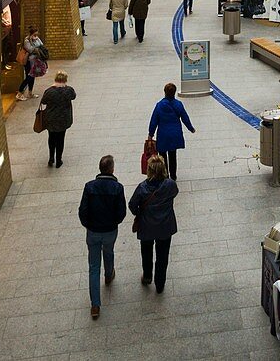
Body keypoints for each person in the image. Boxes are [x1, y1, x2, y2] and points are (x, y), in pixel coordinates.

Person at [78, 154, 127, 320]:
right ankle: (108, 274)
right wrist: (114, 223)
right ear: (112, 169)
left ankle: (95, 305)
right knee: (109, 251)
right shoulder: (117, 188)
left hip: (93, 232)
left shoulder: (89, 187)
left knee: (93, 267)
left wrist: (88, 225)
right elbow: (121, 213)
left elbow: (82, 211)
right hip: (110, 231)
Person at [129, 154, 179, 294]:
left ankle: (147, 276)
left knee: (146, 252)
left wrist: (139, 214)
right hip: (165, 226)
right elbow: (175, 193)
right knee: (162, 256)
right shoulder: (170, 185)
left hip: (146, 227)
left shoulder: (142, 187)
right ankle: (160, 283)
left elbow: (132, 205)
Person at [148, 82, 195, 181]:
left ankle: (165, 175)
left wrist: (150, 134)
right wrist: (190, 128)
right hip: (175, 134)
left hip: (163, 135)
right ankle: (173, 176)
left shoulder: (159, 105)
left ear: (164, 92)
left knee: (162, 156)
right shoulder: (178, 104)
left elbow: (154, 120)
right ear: (174, 93)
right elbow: (184, 117)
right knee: (173, 155)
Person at [41, 70, 76, 168]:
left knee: (51, 138)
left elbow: (43, 102)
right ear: (65, 79)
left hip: (51, 119)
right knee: (61, 139)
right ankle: (59, 160)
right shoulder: (69, 90)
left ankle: (51, 157)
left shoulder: (49, 91)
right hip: (63, 119)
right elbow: (73, 97)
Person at [16, 25, 45, 100]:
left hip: (34, 61)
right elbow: (30, 49)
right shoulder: (27, 40)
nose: (36, 36)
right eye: (35, 34)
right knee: (29, 77)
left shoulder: (36, 38)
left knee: (32, 77)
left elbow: (41, 45)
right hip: (28, 62)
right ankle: (19, 93)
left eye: (37, 34)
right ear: (31, 34)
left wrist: (36, 40)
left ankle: (30, 92)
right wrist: (35, 43)